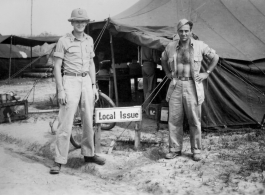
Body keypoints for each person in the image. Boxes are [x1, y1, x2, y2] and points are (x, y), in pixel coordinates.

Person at [50, 8, 106, 174]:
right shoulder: (63, 41)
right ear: (72, 23)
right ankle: (59, 159)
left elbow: (91, 63)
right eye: (77, 21)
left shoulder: (89, 40)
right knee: (65, 122)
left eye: (83, 22)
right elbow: (57, 66)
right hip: (70, 81)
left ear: (86, 23)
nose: (80, 24)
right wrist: (60, 90)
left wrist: (94, 86)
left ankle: (89, 154)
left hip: (86, 81)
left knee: (88, 119)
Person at [161, 19, 219, 161]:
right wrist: (168, 73)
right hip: (176, 85)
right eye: (181, 31)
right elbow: (162, 59)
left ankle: (196, 150)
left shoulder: (199, 45)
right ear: (178, 31)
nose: (184, 34)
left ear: (191, 31)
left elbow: (215, 57)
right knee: (174, 119)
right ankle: (174, 149)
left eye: (186, 31)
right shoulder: (171, 46)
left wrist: (207, 73)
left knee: (194, 120)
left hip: (192, 85)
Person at [141, 46, 160, 113]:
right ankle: (145, 108)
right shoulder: (152, 44)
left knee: (145, 89)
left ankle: (144, 106)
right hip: (150, 65)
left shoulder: (143, 44)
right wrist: (162, 62)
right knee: (151, 89)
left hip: (144, 65)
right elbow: (155, 59)